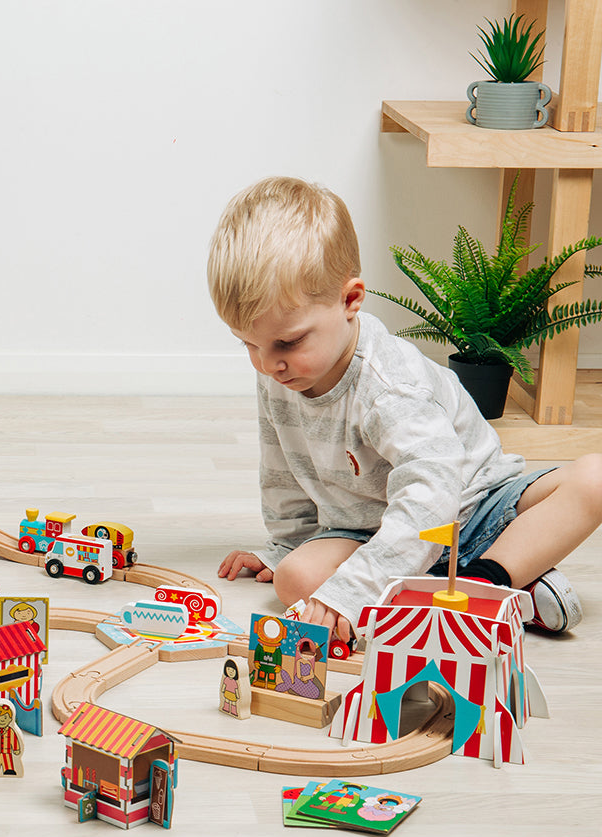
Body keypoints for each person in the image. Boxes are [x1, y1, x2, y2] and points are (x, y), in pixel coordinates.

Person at [209, 176, 602, 640]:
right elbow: (281, 468)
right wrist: (284, 548)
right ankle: (495, 597)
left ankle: (486, 581)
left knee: (594, 478)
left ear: (351, 300)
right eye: (248, 344)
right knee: (296, 579)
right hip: (369, 532)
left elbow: (433, 492)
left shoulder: (389, 384)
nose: (267, 362)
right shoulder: (278, 370)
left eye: (288, 342)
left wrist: (355, 592)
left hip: (473, 510)